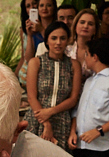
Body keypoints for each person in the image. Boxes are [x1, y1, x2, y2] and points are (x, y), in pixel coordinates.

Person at [23, 20, 81, 149]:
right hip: (37, 119)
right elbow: (32, 97)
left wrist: (50, 112)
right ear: (47, 40)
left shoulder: (74, 65)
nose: (58, 42)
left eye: (62, 38)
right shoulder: (36, 62)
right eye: (54, 38)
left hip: (61, 122)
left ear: (68, 40)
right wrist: (46, 123)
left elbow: (73, 99)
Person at [21, 0, 57, 64]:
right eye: (41, 5)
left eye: (49, 5)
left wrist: (41, 30)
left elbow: (54, 48)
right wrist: (30, 35)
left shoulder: (58, 27)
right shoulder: (34, 30)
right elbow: (28, 59)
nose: (45, 8)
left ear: (54, 8)